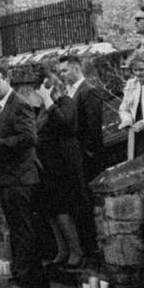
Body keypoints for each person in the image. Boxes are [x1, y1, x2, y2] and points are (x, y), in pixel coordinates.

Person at [0, 67, 47, 288]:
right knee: (21, 228)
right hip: (8, 177)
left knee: (22, 230)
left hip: (21, 177)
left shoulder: (19, 104)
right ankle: (36, 278)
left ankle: (22, 281)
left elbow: (29, 138)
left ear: (7, 80)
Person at [60, 52, 115, 262]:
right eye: (61, 71)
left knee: (85, 205)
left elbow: (93, 128)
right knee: (76, 206)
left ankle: (91, 252)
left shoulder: (88, 92)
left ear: (76, 68)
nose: (62, 74)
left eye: (65, 70)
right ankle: (82, 249)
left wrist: (87, 154)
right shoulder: (70, 92)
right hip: (71, 158)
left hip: (84, 159)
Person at [36, 67, 88, 270]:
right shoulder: (43, 109)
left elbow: (65, 124)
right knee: (51, 210)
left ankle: (76, 250)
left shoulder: (66, 102)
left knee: (63, 209)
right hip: (47, 165)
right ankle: (62, 249)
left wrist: (48, 101)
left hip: (64, 164)